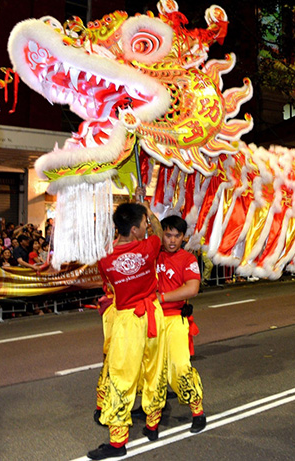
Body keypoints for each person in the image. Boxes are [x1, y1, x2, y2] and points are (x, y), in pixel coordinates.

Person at [89, 195, 166, 460]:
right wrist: (147, 209)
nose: (147, 225)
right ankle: (152, 425)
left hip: (126, 320)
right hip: (153, 315)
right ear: (134, 229)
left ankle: (118, 442)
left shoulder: (105, 258)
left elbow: (109, 285)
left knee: (121, 376)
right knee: (154, 370)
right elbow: (158, 231)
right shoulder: (149, 247)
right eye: (143, 222)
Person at [156, 215, 206, 433]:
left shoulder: (188, 259)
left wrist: (162, 297)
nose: (172, 240)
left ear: (184, 237)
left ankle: (198, 412)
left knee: (180, 366)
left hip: (175, 318)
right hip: (151, 320)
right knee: (152, 368)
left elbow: (192, 289)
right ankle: (154, 406)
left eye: (177, 236)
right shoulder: (153, 254)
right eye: (168, 235)